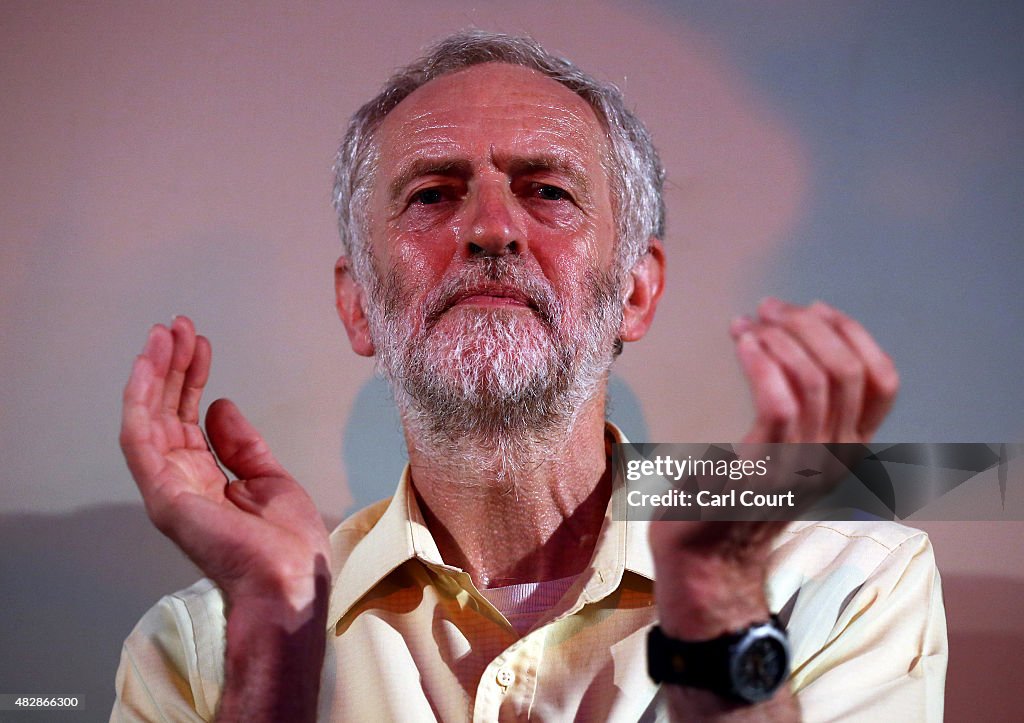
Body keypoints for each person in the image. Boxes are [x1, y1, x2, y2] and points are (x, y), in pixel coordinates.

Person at [112, 31, 946, 722]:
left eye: (546, 190)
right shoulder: (200, 645)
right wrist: (273, 645)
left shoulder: (847, 583)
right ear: (358, 303)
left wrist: (718, 601)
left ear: (637, 291)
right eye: (433, 195)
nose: (490, 228)